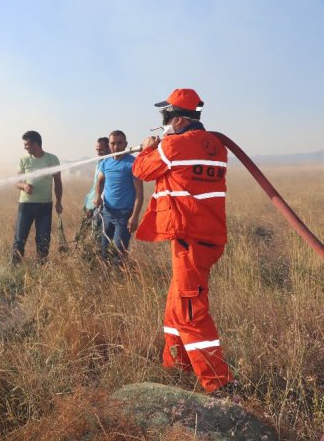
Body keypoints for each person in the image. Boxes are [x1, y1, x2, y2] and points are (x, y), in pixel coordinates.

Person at [132, 88, 233, 394]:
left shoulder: (174, 146)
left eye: (165, 118)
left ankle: (218, 384)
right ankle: (176, 364)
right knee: (177, 304)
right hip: (207, 236)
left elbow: (142, 170)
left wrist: (149, 148)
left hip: (190, 239)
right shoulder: (216, 146)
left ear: (176, 119)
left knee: (191, 313)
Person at [12, 130, 63, 264]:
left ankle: (41, 269)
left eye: (27, 144)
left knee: (43, 240)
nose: (24, 147)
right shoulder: (24, 160)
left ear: (36, 144)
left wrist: (58, 202)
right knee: (19, 239)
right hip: (26, 205)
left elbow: (58, 182)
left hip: (45, 206)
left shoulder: (52, 159)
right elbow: (16, 181)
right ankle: (14, 269)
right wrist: (24, 187)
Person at [92, 130, 144, 261]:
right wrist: (98, 196)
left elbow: (139, 193)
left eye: (119, 143)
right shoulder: (106, 162)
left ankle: (120, 277)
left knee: (118, 251)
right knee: (104, 249)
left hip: (124, 214)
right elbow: (100, 181)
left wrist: (135, 217)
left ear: (126, 144)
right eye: (113, 143)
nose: (116, 147)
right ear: (109, 145)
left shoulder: (133, 163)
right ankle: (106, 278)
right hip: (107, 212)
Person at [76, 137, 110, 244]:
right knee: (82, 236)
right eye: (97, 150)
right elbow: (96, 185)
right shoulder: (99, 163)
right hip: (90, 204)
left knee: (97, 236)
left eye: (101, 150)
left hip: (99, 206)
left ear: (109, 148)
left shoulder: (110, 164)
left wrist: (97, 202)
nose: (99, 153)